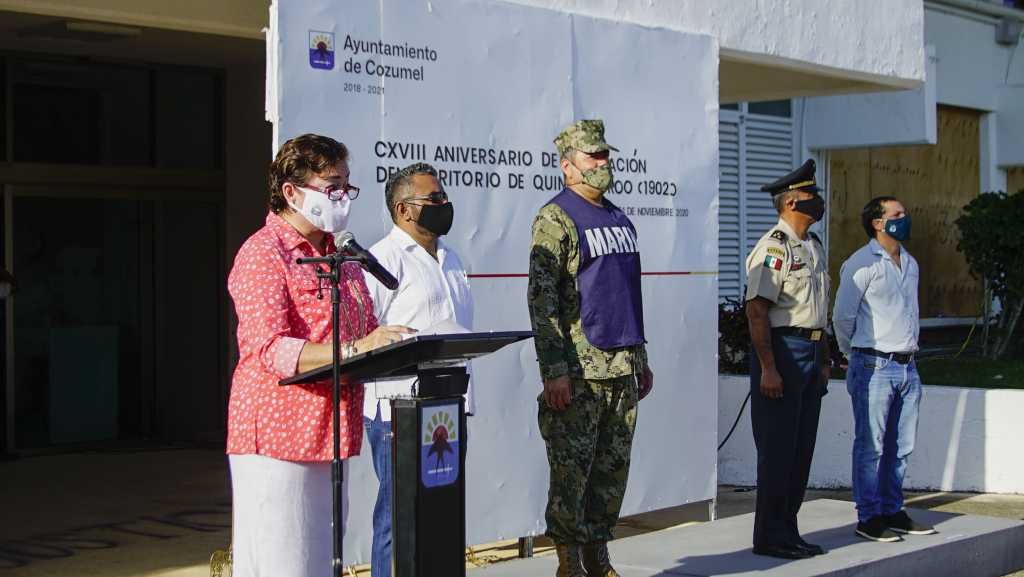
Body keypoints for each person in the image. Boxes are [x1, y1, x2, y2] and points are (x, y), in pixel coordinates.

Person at [226, 133, 412, 577]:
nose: (343, 197)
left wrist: (393, 346)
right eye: (332, 187)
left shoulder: (340, 255)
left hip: (331, 435)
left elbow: (363, 332)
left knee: (320, 565)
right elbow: (270, 348)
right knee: (285, 565)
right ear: (291, 192)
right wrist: (355, 349)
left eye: (347, 186)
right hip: (278, 439)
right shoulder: (263, 254)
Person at [528, 119, 654, 577]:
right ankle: (569, 564)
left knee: (611, 472)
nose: (603, 163)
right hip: (580, 371)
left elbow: (624, 294)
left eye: (605, 155)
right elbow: (542, 303)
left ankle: (599, 557)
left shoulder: (619, 218)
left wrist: (640, 357)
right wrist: (554, 370)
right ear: (568, 167)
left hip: (622, 364)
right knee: (571, 476)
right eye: (593, 156)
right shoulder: (555, 218)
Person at [362, 162, 474, 577]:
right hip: (398, 411)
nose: (444, 205)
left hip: (447, 405)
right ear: (404, 209)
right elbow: (362, 335)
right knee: (398, 514)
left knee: (440, 510)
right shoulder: (381, 259)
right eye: (435, 199)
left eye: (444, 197)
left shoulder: (451, 256)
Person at [833, 196, 936, 542]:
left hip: (908, 367)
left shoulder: (910, 263)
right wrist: (853, 354)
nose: (905, 218)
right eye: (897, 214)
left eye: (904, 213)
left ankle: (893, 510)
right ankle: (869, 516)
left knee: (901, 446)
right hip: (873, 365)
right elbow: (842, 317)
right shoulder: (861, 263)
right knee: (871, 446)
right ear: (878, 223)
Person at [744, 159, 830, 560]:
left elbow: (818, 311)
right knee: (778, 450)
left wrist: (825, 357)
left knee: (801, 449)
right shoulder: (773, 248)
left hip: (811, 350)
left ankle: (789, 529)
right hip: (782, 352)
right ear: (793, 200)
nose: (818, 201)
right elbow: (757, 311)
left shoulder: (812, 246)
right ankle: (769, 536)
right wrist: (768, 368)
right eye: (812, 196)